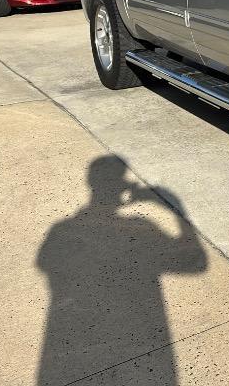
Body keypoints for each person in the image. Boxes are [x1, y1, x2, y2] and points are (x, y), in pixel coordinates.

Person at [36, 156, 207, 385]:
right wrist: (176, 205)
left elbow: (45, 263)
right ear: (122, 186)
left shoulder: (61, 230)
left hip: (73, 343)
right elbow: (196, 264)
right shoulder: (143, 227)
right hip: (142, 344)